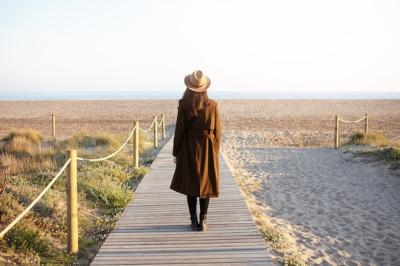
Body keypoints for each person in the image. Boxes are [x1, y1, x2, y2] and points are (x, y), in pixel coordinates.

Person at [170, 70, 221, 231]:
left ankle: (193, 219)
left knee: (190, 182)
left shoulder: (184, 104)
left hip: (188, 146)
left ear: (189, 87)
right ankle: (203, 220)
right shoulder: (213, 104)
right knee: (205, 184)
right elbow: (218, 131)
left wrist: (176, 152)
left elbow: (179, 131)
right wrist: (215, 150)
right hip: (208, 147)